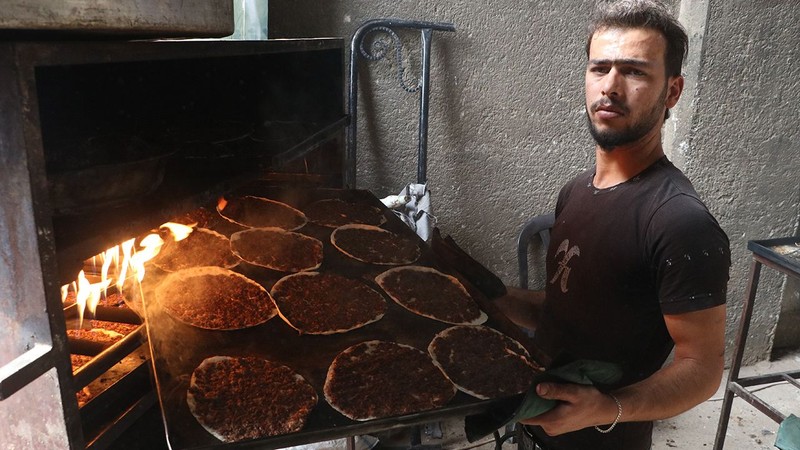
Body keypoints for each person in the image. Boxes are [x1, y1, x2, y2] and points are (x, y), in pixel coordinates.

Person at [495, 1, 732, 449]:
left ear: (673, 91)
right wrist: (490, 294)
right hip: (536, 427)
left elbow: (701, 369)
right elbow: (566, 310)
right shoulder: (576, 191)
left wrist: (607, 408)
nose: (610, 86)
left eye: (635, 72)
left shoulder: (680, 222)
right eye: (599, 68)